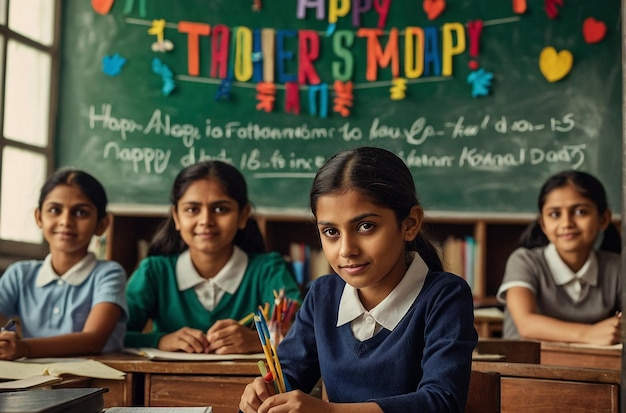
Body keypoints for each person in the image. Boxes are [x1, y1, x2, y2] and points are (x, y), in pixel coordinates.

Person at [239, 147, 478, 413]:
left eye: (365, 227)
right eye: (330, 231)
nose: (346, 249)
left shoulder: (444, 297)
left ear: (410, 224)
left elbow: (441, 402)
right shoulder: (323, 296)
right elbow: (287, 378)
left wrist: (329, 412)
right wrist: (263, 394)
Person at [124, 160, 301, 354]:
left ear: (243, 215)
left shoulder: (268, 270)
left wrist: (259, 341)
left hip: (248, 384)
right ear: (176, 216)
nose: (206, 221)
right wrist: (160, 340)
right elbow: (114, 335)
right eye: (192, 209)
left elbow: (304, 331)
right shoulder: (154, 272)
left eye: (220, 209)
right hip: (164, 384)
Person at [0, 168, 127, 360]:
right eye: (54, 210)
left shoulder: (108, 274)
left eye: (80, 212)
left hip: (99, 385)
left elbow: (93, 340)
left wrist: (23, 348)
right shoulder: (20, 274)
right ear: (39, 217)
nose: (66, 221)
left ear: (102, 224)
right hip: (36, 383)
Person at [497, 170, 621, 345]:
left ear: (603, 219)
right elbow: (526, 324)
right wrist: (588, 334)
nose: (567, 223)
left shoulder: (617, 268)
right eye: (555, 214)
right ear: (543, 224)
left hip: (593, 369)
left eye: (580, 212)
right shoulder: (524, 261)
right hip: (525, 370)